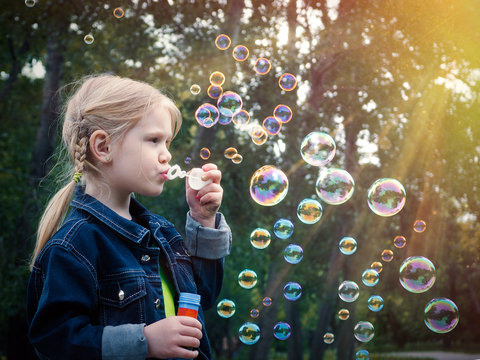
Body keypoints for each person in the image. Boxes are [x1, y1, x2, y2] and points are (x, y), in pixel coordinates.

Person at [26, 74, 232, 360]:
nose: (166, 156)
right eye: (154, 140)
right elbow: (55, 340)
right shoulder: (74, 246)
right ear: (103, 147)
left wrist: (203, 220)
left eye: (168, 143)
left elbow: (204, 295)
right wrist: (144, 341)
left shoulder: (163, 232)